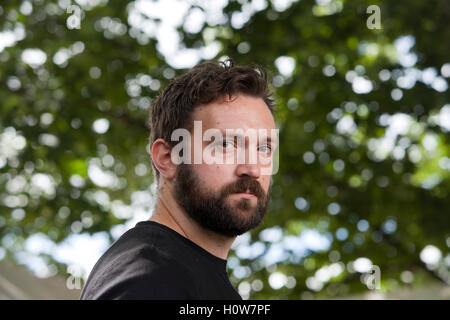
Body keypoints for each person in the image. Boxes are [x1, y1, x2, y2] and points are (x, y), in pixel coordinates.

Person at [80, 59, 278, 300]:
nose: (253, 168)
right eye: (226, 144)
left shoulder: (177, 275)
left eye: (265, 148)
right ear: (168, 158)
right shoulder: (153, 278)